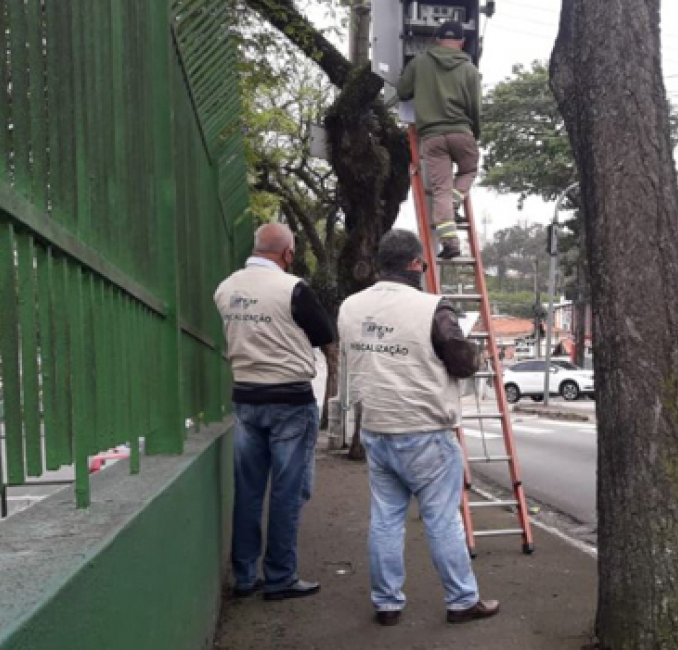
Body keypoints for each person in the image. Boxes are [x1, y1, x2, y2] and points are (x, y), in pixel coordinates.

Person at [338, 230, 498, 627]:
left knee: (385, 519)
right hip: (426, 430)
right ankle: (462, 600)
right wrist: (475, 353)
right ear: (415, 264)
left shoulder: (350, 307)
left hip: (376, 426)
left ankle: (387, 603)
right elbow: (461, 362)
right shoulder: (433, 309)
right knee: (442, 519)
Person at [213, 223, 337, 601]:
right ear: (287, 254)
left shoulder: (225, 288)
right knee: (286, 492)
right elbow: (324, 335)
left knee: (248, 491)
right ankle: (281, 576)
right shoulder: (293, 289)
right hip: (290, 403)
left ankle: (245, 576)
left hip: (246, 399)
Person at [397, 20, 482, 260]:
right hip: (461, 132)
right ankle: (456, 201)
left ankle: (451, 243)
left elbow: (403, 91)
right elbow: (475, 106)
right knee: (469, 170)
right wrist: (474, 133)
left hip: (431, 136)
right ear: (462, 42)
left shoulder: (420, 62)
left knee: (440, 190)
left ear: (436, 40)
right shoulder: (470, 69)